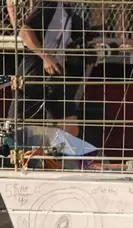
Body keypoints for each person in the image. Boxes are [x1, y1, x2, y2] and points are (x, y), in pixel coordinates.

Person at [6, 0, 93, 137]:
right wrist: (45, 57)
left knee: (71, 126)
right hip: (34, 71)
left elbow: (92, 35)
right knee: (17, 127)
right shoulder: (49, 4)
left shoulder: (68, 12)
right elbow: (24, 31)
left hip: (55, 74)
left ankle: (51, 154)